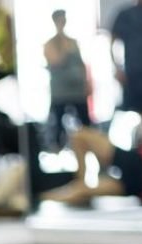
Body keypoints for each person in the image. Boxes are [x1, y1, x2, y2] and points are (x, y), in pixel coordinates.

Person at [40, 125, 142, 205]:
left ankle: (39, 197)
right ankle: (40, 197)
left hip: (139, 178)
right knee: (79, 137)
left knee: (80, 192)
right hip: (137, 164)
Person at [43, 9, 91, 150]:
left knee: (85, 122)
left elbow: (81, 64)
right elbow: (56, 61)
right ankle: (57, 149)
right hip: (60, 91)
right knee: (58, 123)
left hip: (77, 89)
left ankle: (89, 146)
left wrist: (86, 83)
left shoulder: (73, 42)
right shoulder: (50, 43)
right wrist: (63, 45)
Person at [110, 0, 142, 131]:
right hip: (133, 74)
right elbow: (112, 41)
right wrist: (117, 68)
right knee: (132, 114)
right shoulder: (126, 15)